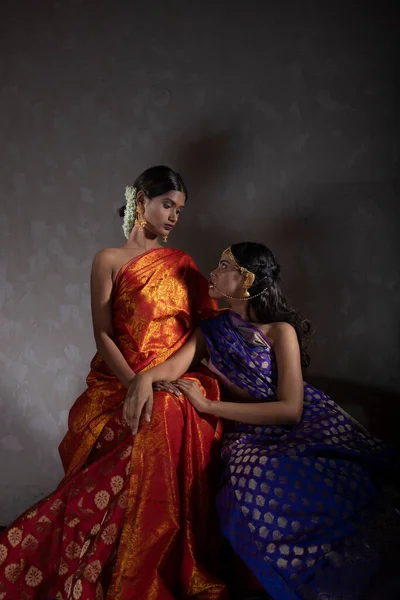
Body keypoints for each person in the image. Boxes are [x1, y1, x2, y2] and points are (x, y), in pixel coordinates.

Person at [0, 166, 228, 600]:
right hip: (119, 379)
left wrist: (157, 378)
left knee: (166, 410)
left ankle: (147, 568)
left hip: (174, 377)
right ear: (140, 200)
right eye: (167, 205)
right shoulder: (107, 260)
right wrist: (134, 382)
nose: (174, 216)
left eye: (179, 209)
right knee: (147, 413)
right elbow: (103, 334)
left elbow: (206, 332)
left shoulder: (182, 265)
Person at [128, 242, 400, 600]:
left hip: (305, 427)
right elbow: (172, 368)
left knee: (336, 486)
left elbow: (290, 410)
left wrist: (210, 405)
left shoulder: (278, 332)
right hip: (249, 438)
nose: (212, 272)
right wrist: (142, 379)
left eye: (223, 265)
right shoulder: (210, 332)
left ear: (246, 281)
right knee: (255, 472)